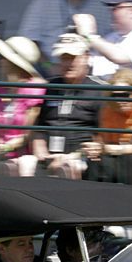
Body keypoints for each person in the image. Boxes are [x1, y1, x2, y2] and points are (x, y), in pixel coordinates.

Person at [32, 32, 101, 180]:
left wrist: (75, 155)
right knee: (21, 164)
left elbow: (102, 136)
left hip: (80, 156)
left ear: (86, 58)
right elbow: (39, 128)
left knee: (69, 167)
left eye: (72, 58)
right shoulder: (51, 86)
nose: (67, 63)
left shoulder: (99, 90)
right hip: (48, 155)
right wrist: (42, 154)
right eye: (64, 58)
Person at [0, 36, 45, 178]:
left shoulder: (34, 89)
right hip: (0, 152)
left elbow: (28, 135)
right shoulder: (1, 90)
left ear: (14, 63)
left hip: (22, 155)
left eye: (2, 57)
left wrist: (3, 148)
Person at [18, 0, 113, 71]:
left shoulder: (104, 4)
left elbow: (113, 41)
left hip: (94, 69)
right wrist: (49, 66)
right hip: (49, 69)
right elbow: (30, 42)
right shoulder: (44, 2)